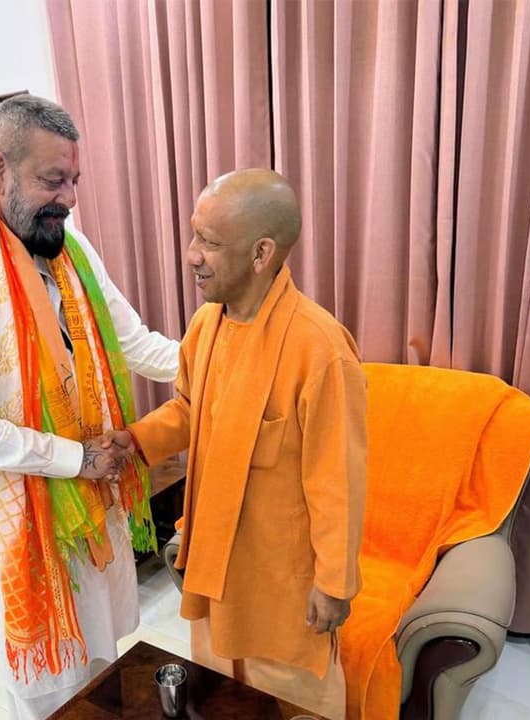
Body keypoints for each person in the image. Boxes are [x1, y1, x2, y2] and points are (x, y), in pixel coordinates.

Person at [0, 94, 179, 719]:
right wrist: (77, 459)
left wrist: (225, 360)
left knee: (101, 665)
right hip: (19, 521)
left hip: (88, 503)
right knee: (49, 691)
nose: (70, 198)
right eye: (54, 180)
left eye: (74, 179)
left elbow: (134, 343)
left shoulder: (67, 248)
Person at [106, 168, 368, 719]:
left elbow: (337, 480)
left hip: (280, 578)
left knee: (291, 701)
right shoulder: (206, 326)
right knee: (220, 694)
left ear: (261, 254)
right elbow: (191, 409)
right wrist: (135, 440)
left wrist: (334, 583)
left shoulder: (319, 348)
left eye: (209, 242)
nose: (191, 255)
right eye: (194, 235)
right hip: (213, 563)